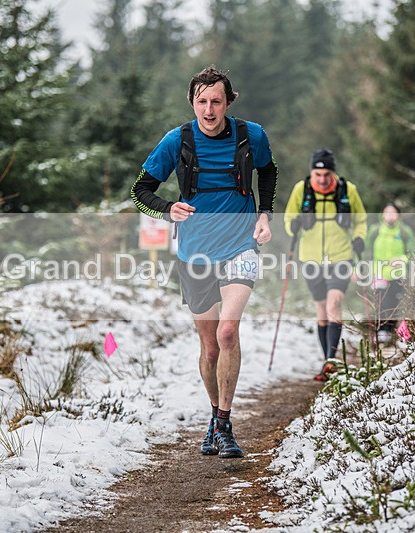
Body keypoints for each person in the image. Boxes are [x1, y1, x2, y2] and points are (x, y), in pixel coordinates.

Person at [130, 66, 277, 459]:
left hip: (240, 247)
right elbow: (139, 190)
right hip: (194, 253)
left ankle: (225, 423)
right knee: (210, 348)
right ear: (192, 103)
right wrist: (166, 208)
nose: (209, 109)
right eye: (201, 101)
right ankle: (214, 414)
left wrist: (265, 214)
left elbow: (268, 171)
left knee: (229, 332)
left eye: (216, 101)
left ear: (228, 102)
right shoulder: (176, 141)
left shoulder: (251, 135)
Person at [283, 148, 367, 381]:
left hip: (340, 255)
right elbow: (289, 218)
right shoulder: (302, 189)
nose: (321, 179)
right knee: (321, 310)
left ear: (333, 173)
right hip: (310, 257)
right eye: (317, 175)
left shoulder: (347, 190)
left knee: (335, 302)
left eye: (326, 174)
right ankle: (326, 360)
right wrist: (295, 225)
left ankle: (331, 358)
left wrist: (359, 237)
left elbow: (360, 219)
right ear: (312, 172)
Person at [366, 202, 415, 344]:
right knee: (381, 301)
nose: (390, 215)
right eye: (387, 212)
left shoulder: (404, 231)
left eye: (393, 212)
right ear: (382, 214)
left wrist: (402, 259)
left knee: (395, 302)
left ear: (398, 215)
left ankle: (397, 333)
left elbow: (414, 252)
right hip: (379, 272)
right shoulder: (375, 230)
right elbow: (367, 251)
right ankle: (383, 331)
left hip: (398, 273)